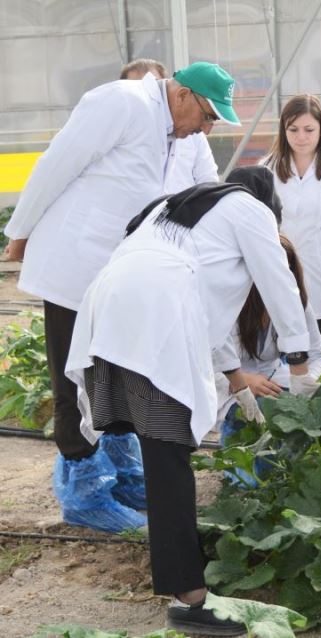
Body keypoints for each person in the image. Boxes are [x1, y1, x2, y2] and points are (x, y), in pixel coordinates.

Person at [64, 176, 314, 635]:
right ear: (270, 210)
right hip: (156, 307)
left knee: (163, 457)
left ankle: (184, 591)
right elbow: (278, 282)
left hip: (112, 304)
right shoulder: (251, 210)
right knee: (170, 459)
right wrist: (301, 368)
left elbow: (207, 305)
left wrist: (236, 381)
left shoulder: (176, 208)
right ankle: (190, 602)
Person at [2, 61, 239, 534]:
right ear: (185, 95)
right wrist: (20, 232)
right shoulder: (121, 102)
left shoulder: (177, 133)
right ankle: (84, 493)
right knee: (73, 378)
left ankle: (123, 475)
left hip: (119, 272)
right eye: (209, 116)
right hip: (76, 264)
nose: (208, 129)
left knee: (117, 370)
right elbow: (57, 164)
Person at [217, 234, 321, 486]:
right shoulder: (230, 303)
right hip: (227, 388)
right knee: (249, 483)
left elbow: (318, 354)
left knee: (287, 473)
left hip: (274, 381)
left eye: (287, 272)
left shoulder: (297, 302)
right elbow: (201, 363)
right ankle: (233, 441)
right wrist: (241, 379)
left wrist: (305, 381)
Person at [265, 94, 321, 361]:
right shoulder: (267, 170)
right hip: (279, 270)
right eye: (293, 130)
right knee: (283, 349)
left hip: (320, 275)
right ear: (283, 130)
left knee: (320, 348)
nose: (301, 137)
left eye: (308, 130)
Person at [120, 58, 219, 193]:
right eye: (135, 88)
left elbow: (208, 179)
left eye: (150, 86)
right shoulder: (125, 126)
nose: (144, 95)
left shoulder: (192, 131)